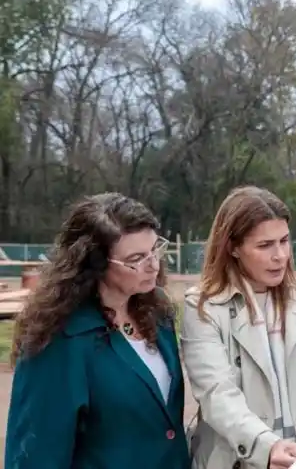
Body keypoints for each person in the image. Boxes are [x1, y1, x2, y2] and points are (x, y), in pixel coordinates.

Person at [181, 186, 296, 469]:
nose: (280, 255)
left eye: (284, 241)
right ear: (232, 247)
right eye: (265, 245)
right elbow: (217, 395)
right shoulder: (203, 307)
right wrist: (265, 447)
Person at [5, 193, 189, 469]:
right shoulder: (58, 340)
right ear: (96, 264)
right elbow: (36, 455)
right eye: (136, 258)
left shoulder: (158, 311)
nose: (153, 264)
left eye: (155, 250)